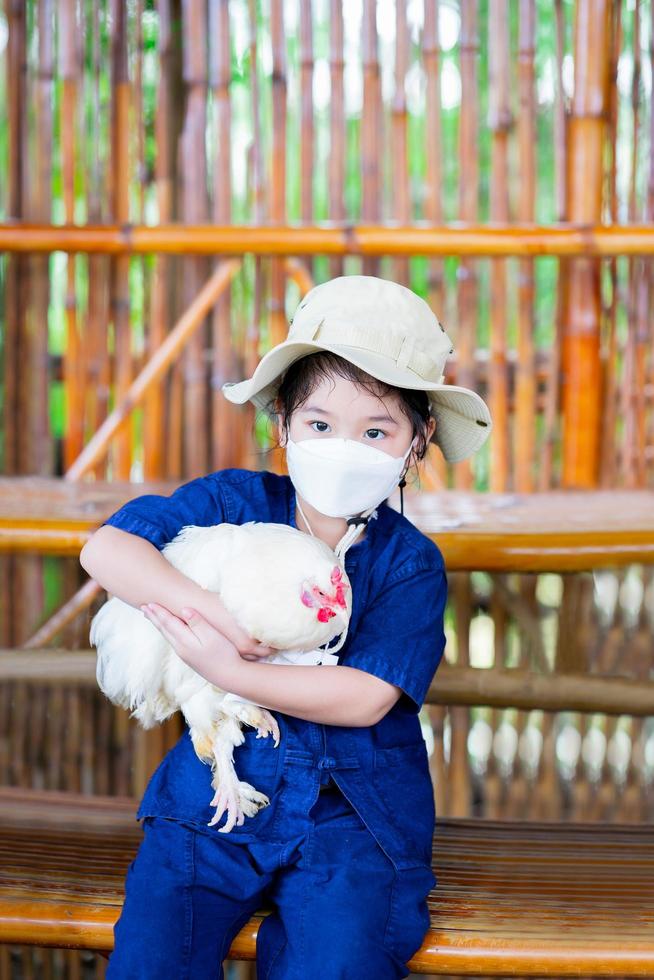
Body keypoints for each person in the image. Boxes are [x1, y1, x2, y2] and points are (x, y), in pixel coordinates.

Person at [80, 274, 492, 979]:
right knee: (154, 952)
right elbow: (106, 549)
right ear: (283, 422)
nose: (343, 446)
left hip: (354, 818)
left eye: (376, 430)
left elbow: (367, 697)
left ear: (416, 441)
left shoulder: (409, 565)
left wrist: (233, 672)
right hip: (219, 793)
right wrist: (202, 608)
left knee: (339, 963)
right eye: (321, 425)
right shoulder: (232, 504)